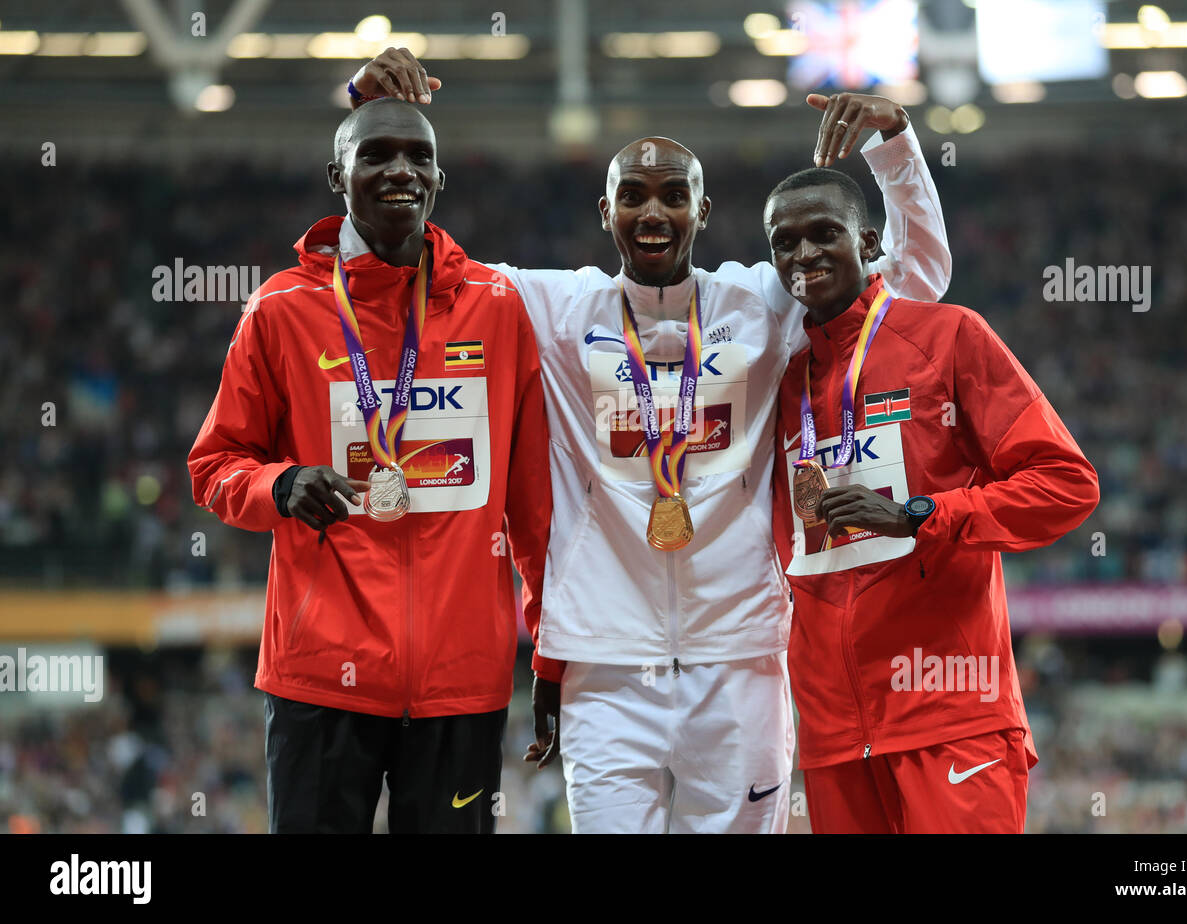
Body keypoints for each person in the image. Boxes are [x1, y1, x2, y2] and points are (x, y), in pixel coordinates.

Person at [351, 48, 951, 833]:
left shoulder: (764, 301)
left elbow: (915, 284)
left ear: (703, 211)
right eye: (632, 196)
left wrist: (896, 149)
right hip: (606, 668)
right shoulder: (555, 310)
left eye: (675, 195)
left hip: (741, 656)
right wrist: (367, 115)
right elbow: (408, 271)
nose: (654, 211)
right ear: (606, 215)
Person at [188, 98, 557, 833]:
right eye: (376, 154)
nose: (400, 170)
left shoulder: (496, 305)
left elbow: (534, 505)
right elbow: (215, 466)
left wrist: (551, 646)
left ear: (439, 176)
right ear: (338, 174)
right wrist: (282, 484)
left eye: (418, 156)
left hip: (462, 680)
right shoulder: (279, 310)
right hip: (321, 675)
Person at [764, 168, 1100, 833]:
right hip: (833, 731)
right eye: (785, 241)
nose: (804, 255)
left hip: (951, 712)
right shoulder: (776, 382)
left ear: (867, 243)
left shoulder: (948, 338)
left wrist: (923, 514)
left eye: (824, 234)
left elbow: (1067, 483)